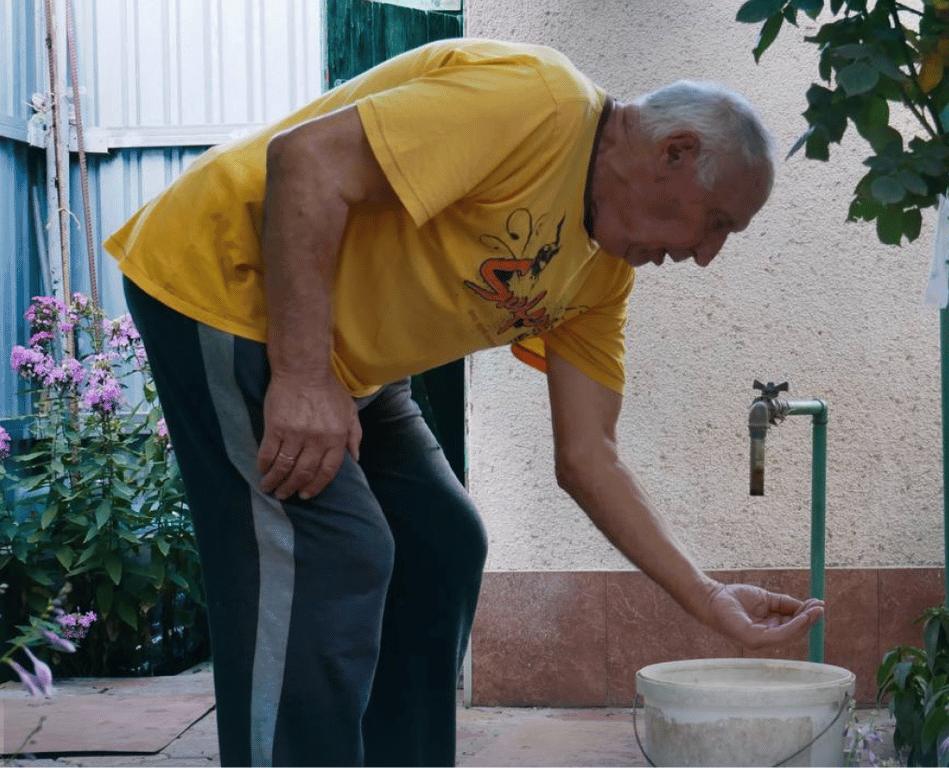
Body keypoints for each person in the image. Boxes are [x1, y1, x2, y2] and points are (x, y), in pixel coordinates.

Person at [105, 38, 823, 768]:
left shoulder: (601, 275)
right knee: (334, 554)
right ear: (673, 151)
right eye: (717, 223)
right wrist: (299, 376)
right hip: (230, 286)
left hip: (348, 362)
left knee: (440, 540)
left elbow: (588, 456)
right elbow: (308, 161)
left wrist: (705, 598)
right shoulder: (537, 107)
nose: (705, 255)